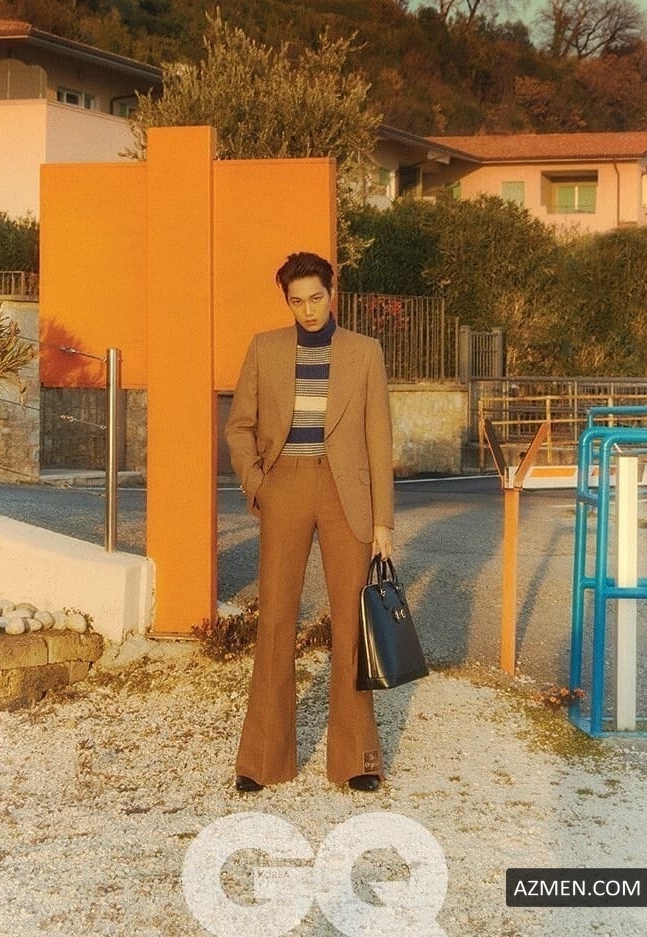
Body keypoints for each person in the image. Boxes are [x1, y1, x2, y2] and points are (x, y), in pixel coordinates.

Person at [225, 250, 394, 793]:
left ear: (332, 293)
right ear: (288, 302)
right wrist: (258, 484)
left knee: (351, 622)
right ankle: (262, 760)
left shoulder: (365, 352)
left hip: (348, 495)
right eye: (297, 301)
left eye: (316, 297)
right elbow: (239, 426)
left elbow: (378, 439)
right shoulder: (265, 348)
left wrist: (383, 523)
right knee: (275, 619)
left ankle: (356, 760)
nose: (308, 310)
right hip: (285, 486)